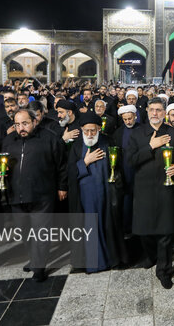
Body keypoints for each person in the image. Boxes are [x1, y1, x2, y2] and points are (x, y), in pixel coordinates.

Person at [0, 109, 68, 282]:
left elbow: (62, 164)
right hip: (16, 194)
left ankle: (39, 266)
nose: (21, 128)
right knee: (25, 232)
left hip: (42, 194)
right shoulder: (9, 140)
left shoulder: (50, 138)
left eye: (25, 123)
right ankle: (34, 259)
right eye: (17, 124)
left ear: (35, 121)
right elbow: (1, 161)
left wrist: (62, 187)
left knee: (41, 232)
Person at [125, 97, 174, 289]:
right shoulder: (137, 133)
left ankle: (163, 270)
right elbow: (130, 161)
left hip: (166, 188)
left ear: (164, 113)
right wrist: (151, 145)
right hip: (144, 190)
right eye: (152, 110)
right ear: (147, 111)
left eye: (159, 110)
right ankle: (151, 256)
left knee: (165, 232)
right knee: (144, 231)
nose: (155, 113)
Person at [67, 111, 128, 272]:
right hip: (85, 196)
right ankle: (94, 262)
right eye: (86, 131)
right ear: (81, 130)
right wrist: (85, 162)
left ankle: (111, 260)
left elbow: (118, 167)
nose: (89, 134)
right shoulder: (77, 146)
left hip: (107, 193)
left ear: (99, 129)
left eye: (93, 130)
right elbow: (69, 172)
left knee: (108, 226)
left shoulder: (108, 142)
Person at [113, 105, 140, 236]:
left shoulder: (143, 129)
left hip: (140, 172)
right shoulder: (118, 133)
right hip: (125, 173)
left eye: (130, 118)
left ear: (135, 116)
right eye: (125, 119)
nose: (128, 121)